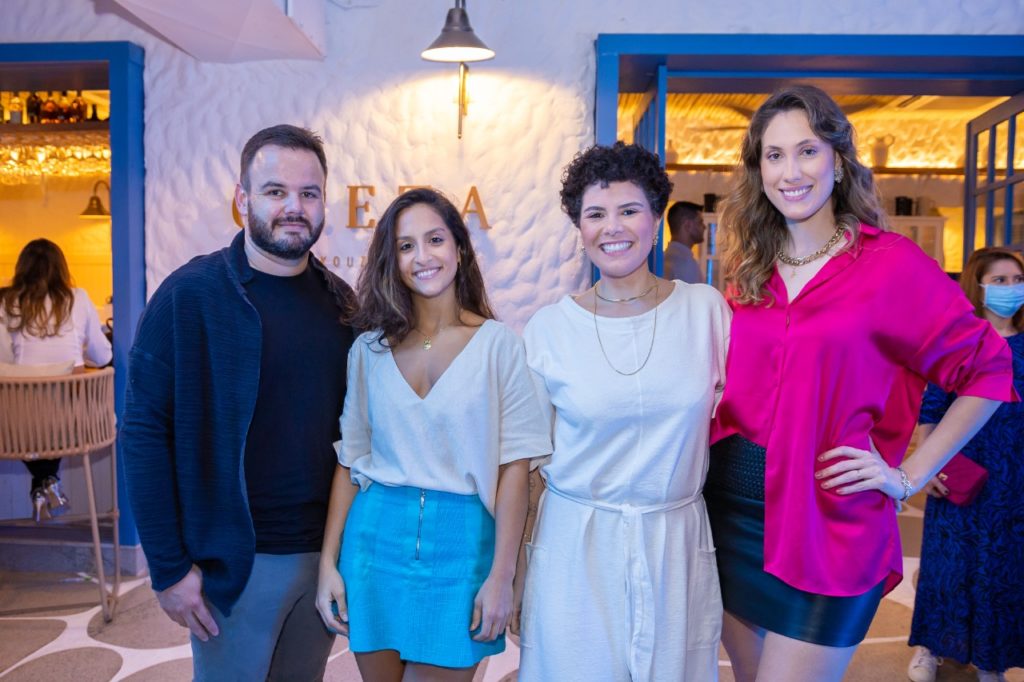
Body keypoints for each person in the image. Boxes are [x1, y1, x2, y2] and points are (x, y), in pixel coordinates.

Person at [706, 84, 1017, 682]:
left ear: (839, 161)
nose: (791, 172)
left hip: (829, 524)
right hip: (731, 515)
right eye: (774, 155)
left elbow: (988, 369)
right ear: (758, 171)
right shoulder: (750, 271)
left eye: (808, 151)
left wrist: (909, 476)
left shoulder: (890, 264)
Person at [121, 124, 356, 681]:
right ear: (242, 199)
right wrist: (168, 568)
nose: (294, 207)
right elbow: (143, 433)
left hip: (323, 557)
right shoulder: (190, 296)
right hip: (234, 566)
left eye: (309, 193)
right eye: (275, 191)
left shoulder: (341, 305)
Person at [315, 188, 550, 681]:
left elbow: (515, 470)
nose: (422, 256)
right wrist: (328, 564)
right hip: (373, 543)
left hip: (463, 546)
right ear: (393, 261)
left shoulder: (499, 346)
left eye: (435, 239)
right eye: (406, 246)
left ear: (459, 249)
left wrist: (504, 575)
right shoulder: (368, 351)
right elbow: (350, 461)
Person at [517, 142, 731, 681]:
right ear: (579, 227)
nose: (612, 228)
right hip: (576, 544)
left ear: (656, 218)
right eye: (595, 214)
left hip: (674, 542)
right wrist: (518, 570)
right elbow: (528, 469)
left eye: (629, 210)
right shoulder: (550, 329)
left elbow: (752, 418)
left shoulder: (704, 311)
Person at [907, 248, 1024, 682]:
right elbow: (932, 407)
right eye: (1000, 280)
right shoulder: (960, 339)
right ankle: (931, 647)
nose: (1011, 288)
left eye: (1017, 280)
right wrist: (929, 465)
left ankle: (991, 658)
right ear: (977, 286)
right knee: (948, 562)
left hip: (1015, 474)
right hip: (962, 467)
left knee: (1003, 568)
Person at [0, 238, 112, 521]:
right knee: (58, 417)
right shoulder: (79, 298)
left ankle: (43, 482)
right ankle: (48, 481)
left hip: (18, 428)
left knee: (25, 419)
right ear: (62, 268)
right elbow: (102, 356)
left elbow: (4, 362)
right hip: (75, 424)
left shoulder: (7, 303)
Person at [664, 200, 706, 283]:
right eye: (700, 222)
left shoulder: (666, 258)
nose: (704, 227)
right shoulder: (684, 264)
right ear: (688, 225)